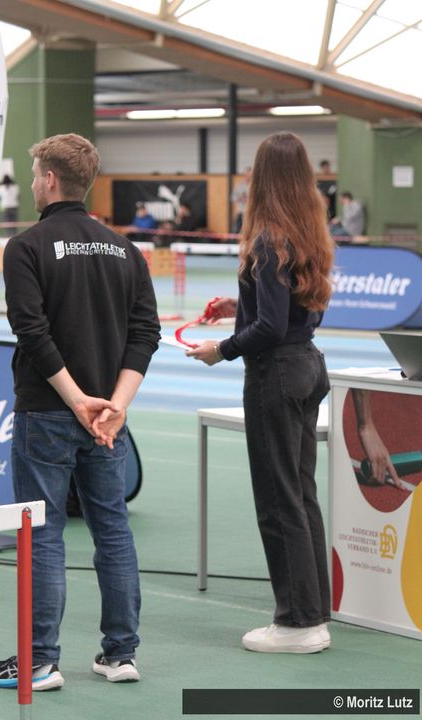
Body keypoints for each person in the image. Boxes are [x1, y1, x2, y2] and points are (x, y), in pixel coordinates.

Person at [0, 133, 160, 690]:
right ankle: (121, 655)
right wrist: (115, 407)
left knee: (43, 534)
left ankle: (40, 660)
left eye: (36, 174)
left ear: (51, 179)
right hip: (106, 421)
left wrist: (76, 399)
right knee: (113, 531)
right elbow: (146, 334)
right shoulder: (126, 251)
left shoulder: (25, 246)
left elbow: (31, 332)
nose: (33, 183)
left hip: (49, 413)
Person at [187, 132, 334, 654]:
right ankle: (314, 613)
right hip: (309, 366)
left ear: (261, 177)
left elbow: (270, 328)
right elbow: (295, 310)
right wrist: (240, 306)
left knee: (277, 501)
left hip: (277, 374)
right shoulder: (308, 231)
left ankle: (297, 623)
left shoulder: (269, 238)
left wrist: (221, 349)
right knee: (301, 496)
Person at [231, 167, 251, 233]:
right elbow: (233, 197)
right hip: (241, 212)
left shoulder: (253, 186)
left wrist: (248, 199)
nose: (248, 176)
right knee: (235, 231)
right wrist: (241, 199)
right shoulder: (239, 185)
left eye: (249, 174)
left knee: (250, 231)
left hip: (250, 213)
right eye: (247, 174)